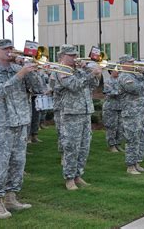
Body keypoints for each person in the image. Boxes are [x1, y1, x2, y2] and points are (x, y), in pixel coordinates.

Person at [0, 39, 40, 219]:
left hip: (21, 122)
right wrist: (20, 74)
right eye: (5, 49)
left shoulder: (18, 68)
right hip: (2, 124)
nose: (9, 51)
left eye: (11, 48)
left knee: (17, 162)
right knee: (0, 164)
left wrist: (30, 70)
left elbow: (40, 88)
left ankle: (11, 197)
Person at [56, 45, 102, 190]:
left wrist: (95, 72)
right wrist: (90, 74)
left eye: (75, 55)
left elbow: (94, 85)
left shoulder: (80, 70)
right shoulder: (61, 70)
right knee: (71, 147)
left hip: (85, 111)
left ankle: (78, 175)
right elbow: (74, 85)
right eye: (71, 55)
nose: (74, 58)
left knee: (84, 146)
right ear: (62, 56)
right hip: (71, 113)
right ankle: (69, 178)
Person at [118, 55, 144, 175]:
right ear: (123, 63)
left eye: (134, 62)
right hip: (131, 113)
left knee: (142, 137)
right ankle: (130, 166)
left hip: (141, 111)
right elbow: (137, 89)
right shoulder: (124, 76)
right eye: (131, 62)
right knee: (132, 138)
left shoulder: (134, 75)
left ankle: (137, 162)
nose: (134, 64)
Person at [102, 68, 125, 153]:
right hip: (111, 107)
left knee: (120, 127)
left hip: (121, 107)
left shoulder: (121, 80)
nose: (118, 71)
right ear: (111, 71)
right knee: (111, 127)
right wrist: (120, 91)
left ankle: (118, 144)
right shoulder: (108, 81)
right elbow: (109, 92)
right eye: (116, 70)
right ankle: (111, 145)